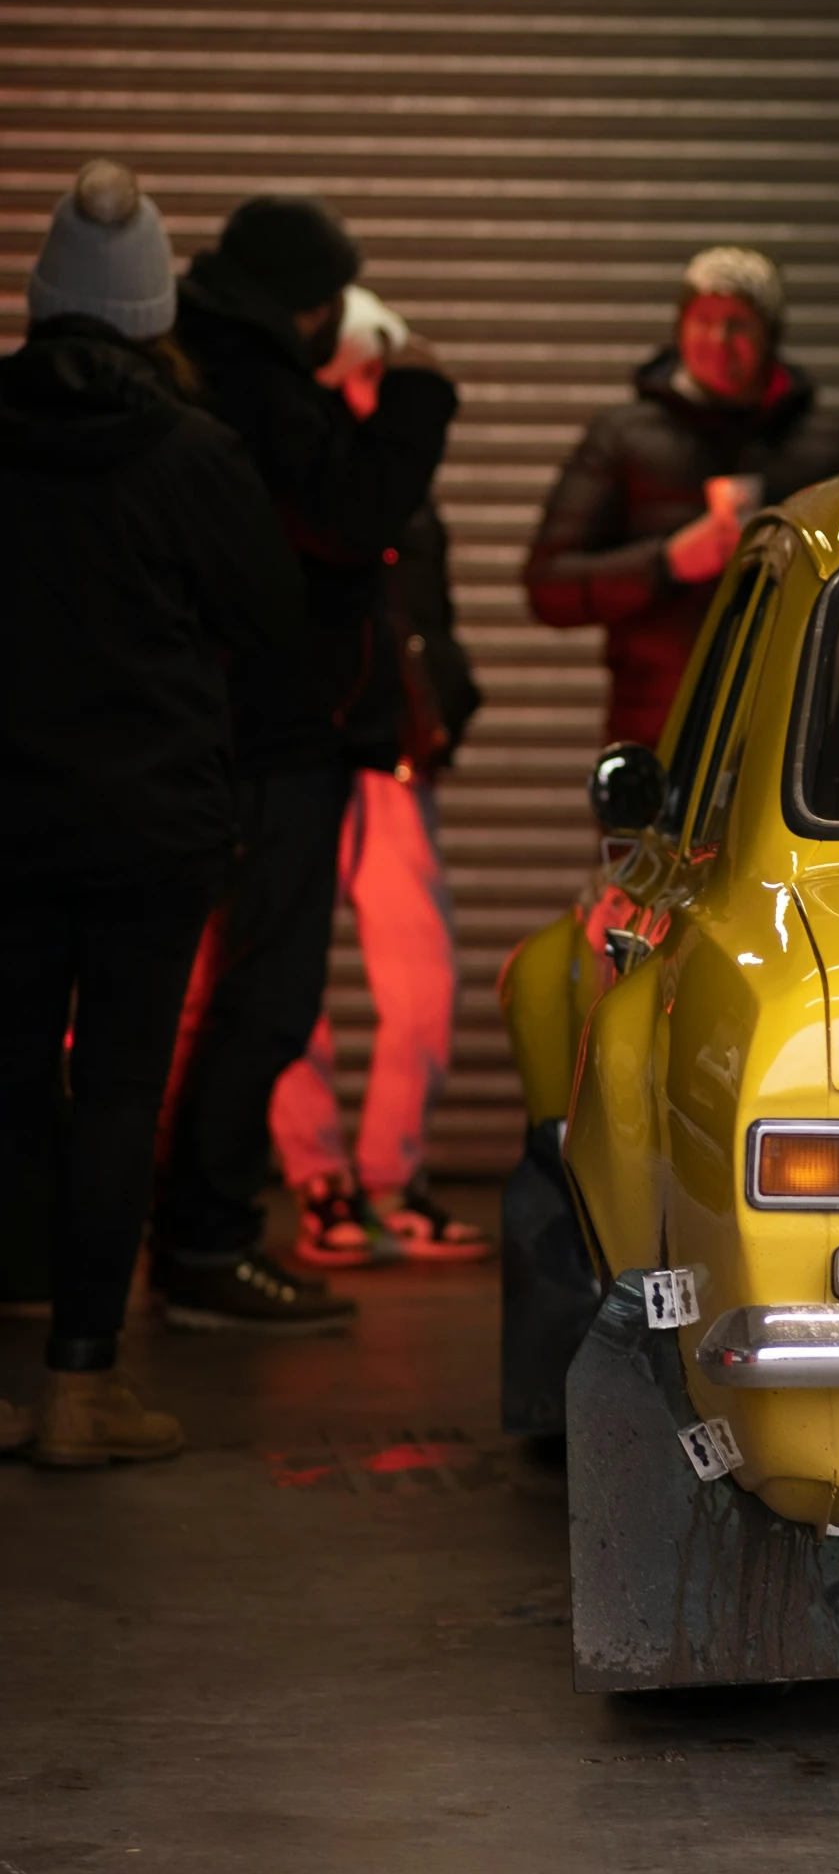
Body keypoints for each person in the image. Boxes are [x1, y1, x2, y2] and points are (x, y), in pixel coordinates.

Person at [0, 161, 302, 1463]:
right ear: (148, 309)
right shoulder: (193, 453)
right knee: (119, 1089)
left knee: (6, 1081)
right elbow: (273, 633)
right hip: (148, 829)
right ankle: (82, 1389)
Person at [149, 199, 459, 1330]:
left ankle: (187, 1232)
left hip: (234, 732)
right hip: (272, 738)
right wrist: (420, 390)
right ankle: (207, 1241)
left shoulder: (207, 365)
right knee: (266, 997)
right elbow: (352, 507)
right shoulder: (259, 384)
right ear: (315, 301)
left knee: (223, 996)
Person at [269, 287, 490, 1269]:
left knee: (422, 978)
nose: (372, 393)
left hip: (394, 750)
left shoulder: (397, 480)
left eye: (380, 375)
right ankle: (319, 1183)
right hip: (308, 746)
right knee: (288, 971)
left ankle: (393, 1178)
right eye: (360, 374)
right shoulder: (299, 470)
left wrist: (448, 693)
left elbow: (424, 615)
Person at [525, 246, 839, 746]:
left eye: (738, 323)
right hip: (659, 731)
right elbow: (549, 588)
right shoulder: (623, 437)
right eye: (702, 320)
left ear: (770, 335)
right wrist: (666, 563)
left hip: (796, 729)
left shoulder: (831, 443)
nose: (718, 340)